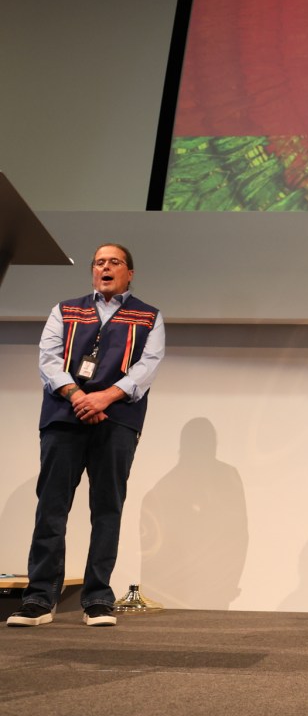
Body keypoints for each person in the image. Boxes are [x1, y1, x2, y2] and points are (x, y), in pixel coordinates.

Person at [7, 243, 165, 628]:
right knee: (51, 507)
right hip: (65, 417)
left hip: (117, 419)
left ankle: (97, 600)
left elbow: (147, 366)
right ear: (92, 271)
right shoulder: (65, 310)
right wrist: (79, 397)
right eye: (99, 262)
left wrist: (105, 397)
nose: (105, 268)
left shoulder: (148, 316)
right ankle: (39, 599)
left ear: (129, 273)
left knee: (107, 508)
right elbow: (48, 359)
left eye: (114, 262)